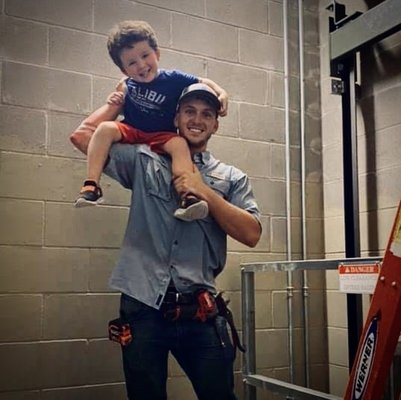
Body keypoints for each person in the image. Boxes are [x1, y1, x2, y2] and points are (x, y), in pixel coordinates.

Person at [71, 83, 262, 400]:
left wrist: (205, 192)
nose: (197, 120)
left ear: (216, 123)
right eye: (189, 111)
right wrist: (121, 100)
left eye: (207, 113)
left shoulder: (231, 177)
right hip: (143, 307)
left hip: (200, 311)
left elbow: (252, 234)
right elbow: (82, 137)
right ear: (176, 116)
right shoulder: (144, 160)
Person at [72, 20, 228, 222]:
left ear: (157, 53)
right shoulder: (127, 84)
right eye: (132, 63)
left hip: (162, 135)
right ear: (124, 70)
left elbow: (203, 81)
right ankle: (92, 184)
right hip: (132, 129)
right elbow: (116, 96)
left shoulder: (173, 78)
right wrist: (115, 98)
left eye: (145, 56)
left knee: (179, 144)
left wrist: (222, 92)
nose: (142, 65)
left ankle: (187, 195)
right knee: (104, 128)